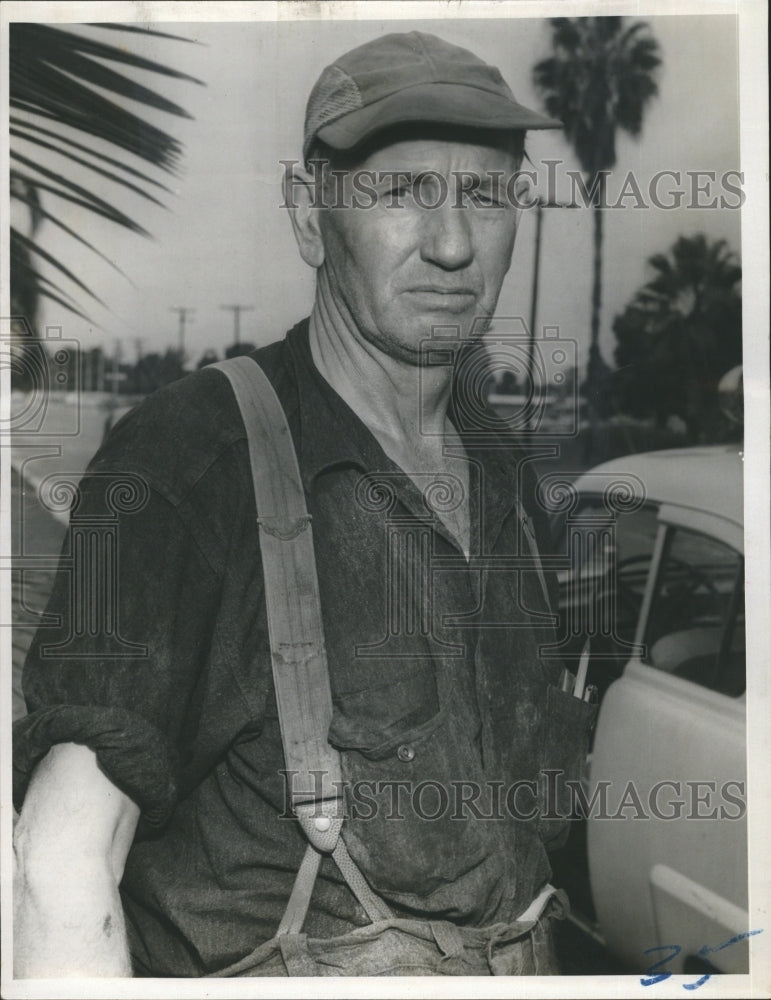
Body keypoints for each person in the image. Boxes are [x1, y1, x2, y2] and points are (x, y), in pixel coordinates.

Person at [13, 30, 595, 978]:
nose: (452, 244)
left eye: (486, 195)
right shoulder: (190, 460)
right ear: (307, 213)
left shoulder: (500, 467)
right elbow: (58, 867)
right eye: (401, 191)